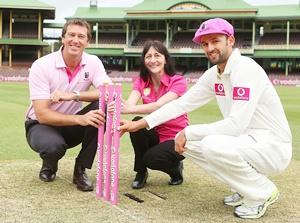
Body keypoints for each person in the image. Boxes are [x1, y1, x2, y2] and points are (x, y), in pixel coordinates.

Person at [119, 18, 292, 219]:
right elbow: (180, 104)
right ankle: (245, 187)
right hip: (248, 143)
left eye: (215, 41)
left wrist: (188, 131)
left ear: (230, 40)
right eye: (204, 43)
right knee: (188, 145)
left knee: (210, 143)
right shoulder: (214, 74)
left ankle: (262, 192)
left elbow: (236, 124)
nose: (210, 48)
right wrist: (138, 124)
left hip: (272, 146)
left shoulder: (245, 68)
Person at [25, 19, 110, 192]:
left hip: (71, 125)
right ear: (63, 38)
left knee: (104, 105)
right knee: (53, 147)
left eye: (81, 36)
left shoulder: (93, 62)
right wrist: (80, 119)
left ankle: (81, 168)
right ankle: (50, 164)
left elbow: (108, 91)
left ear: (87, 41)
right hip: (41, 125)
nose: (75, 40)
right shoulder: (41, 65)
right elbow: (42, 114)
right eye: (71, 35)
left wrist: (73, 96)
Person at [111, 40, 188, 189]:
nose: (153, 60)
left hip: (177, 137)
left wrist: (125, 109)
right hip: (154, 132)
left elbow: (159, 105)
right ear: (144, 60)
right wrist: (116, 103)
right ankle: (141, 173)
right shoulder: (141, 81)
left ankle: (175, 169)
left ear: (165, 59)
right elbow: (130, 105)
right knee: (137, 122)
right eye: (148, 56)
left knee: (151, 159)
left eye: (157, 55)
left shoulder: (178, 81)